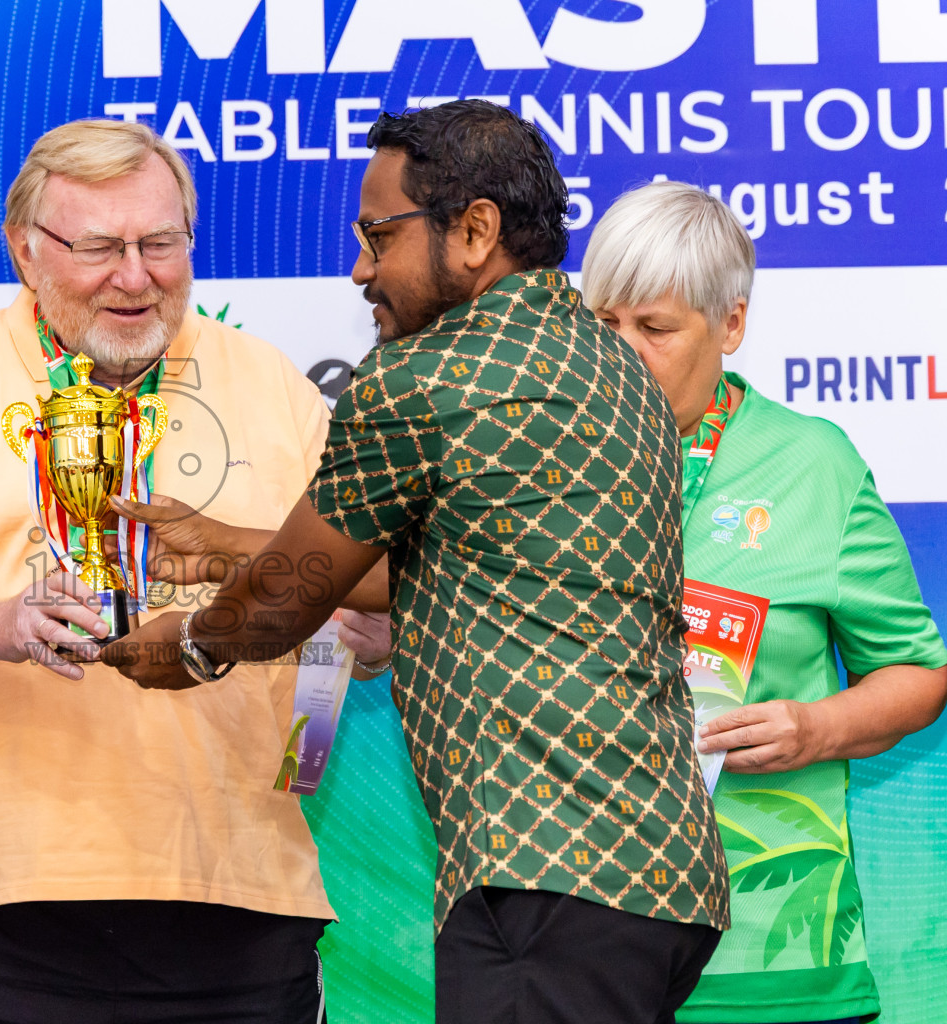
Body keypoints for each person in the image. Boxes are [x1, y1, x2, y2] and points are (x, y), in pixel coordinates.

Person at [105, 100, 731, 1024]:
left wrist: (188, 647)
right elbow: (478, 567)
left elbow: (283, 603)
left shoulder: (427, 379)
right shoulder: (611, 369)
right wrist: (231, 541)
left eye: (379, 236)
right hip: (661, 872)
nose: (360, 268)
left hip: (544, 868)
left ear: (474, 230)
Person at [0, 119, 338, 1023]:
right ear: (24, 250)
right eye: (98, 247)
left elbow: (358, 615)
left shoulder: (277, 386)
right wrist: (1, 626)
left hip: (239, 902)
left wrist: (354, 625)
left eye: (160, 244)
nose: (135, 277)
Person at [581, 181, 947, 1024]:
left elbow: (917, 672)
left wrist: (813, 729)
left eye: (655, 327)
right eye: (603, 325)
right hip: (580, 949)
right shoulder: (543, 464)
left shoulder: (813, 464)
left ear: (732, 325)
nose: (623, 351)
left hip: (773, 955)